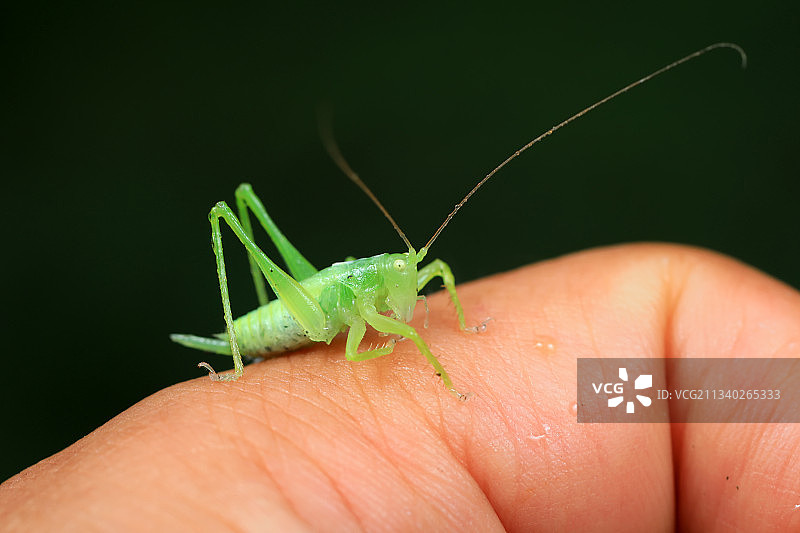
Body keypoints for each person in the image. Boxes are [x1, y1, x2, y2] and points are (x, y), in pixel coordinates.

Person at [1, 244, 798, 531]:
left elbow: (435, 283)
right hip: (291, 316)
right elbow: (368, 351)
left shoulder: (408, 278)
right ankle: (237, 356)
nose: (415, 287)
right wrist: (437, 359)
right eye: (404, 280)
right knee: (233, 213)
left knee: (732, 391)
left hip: (724, 393)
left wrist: (456, 319)